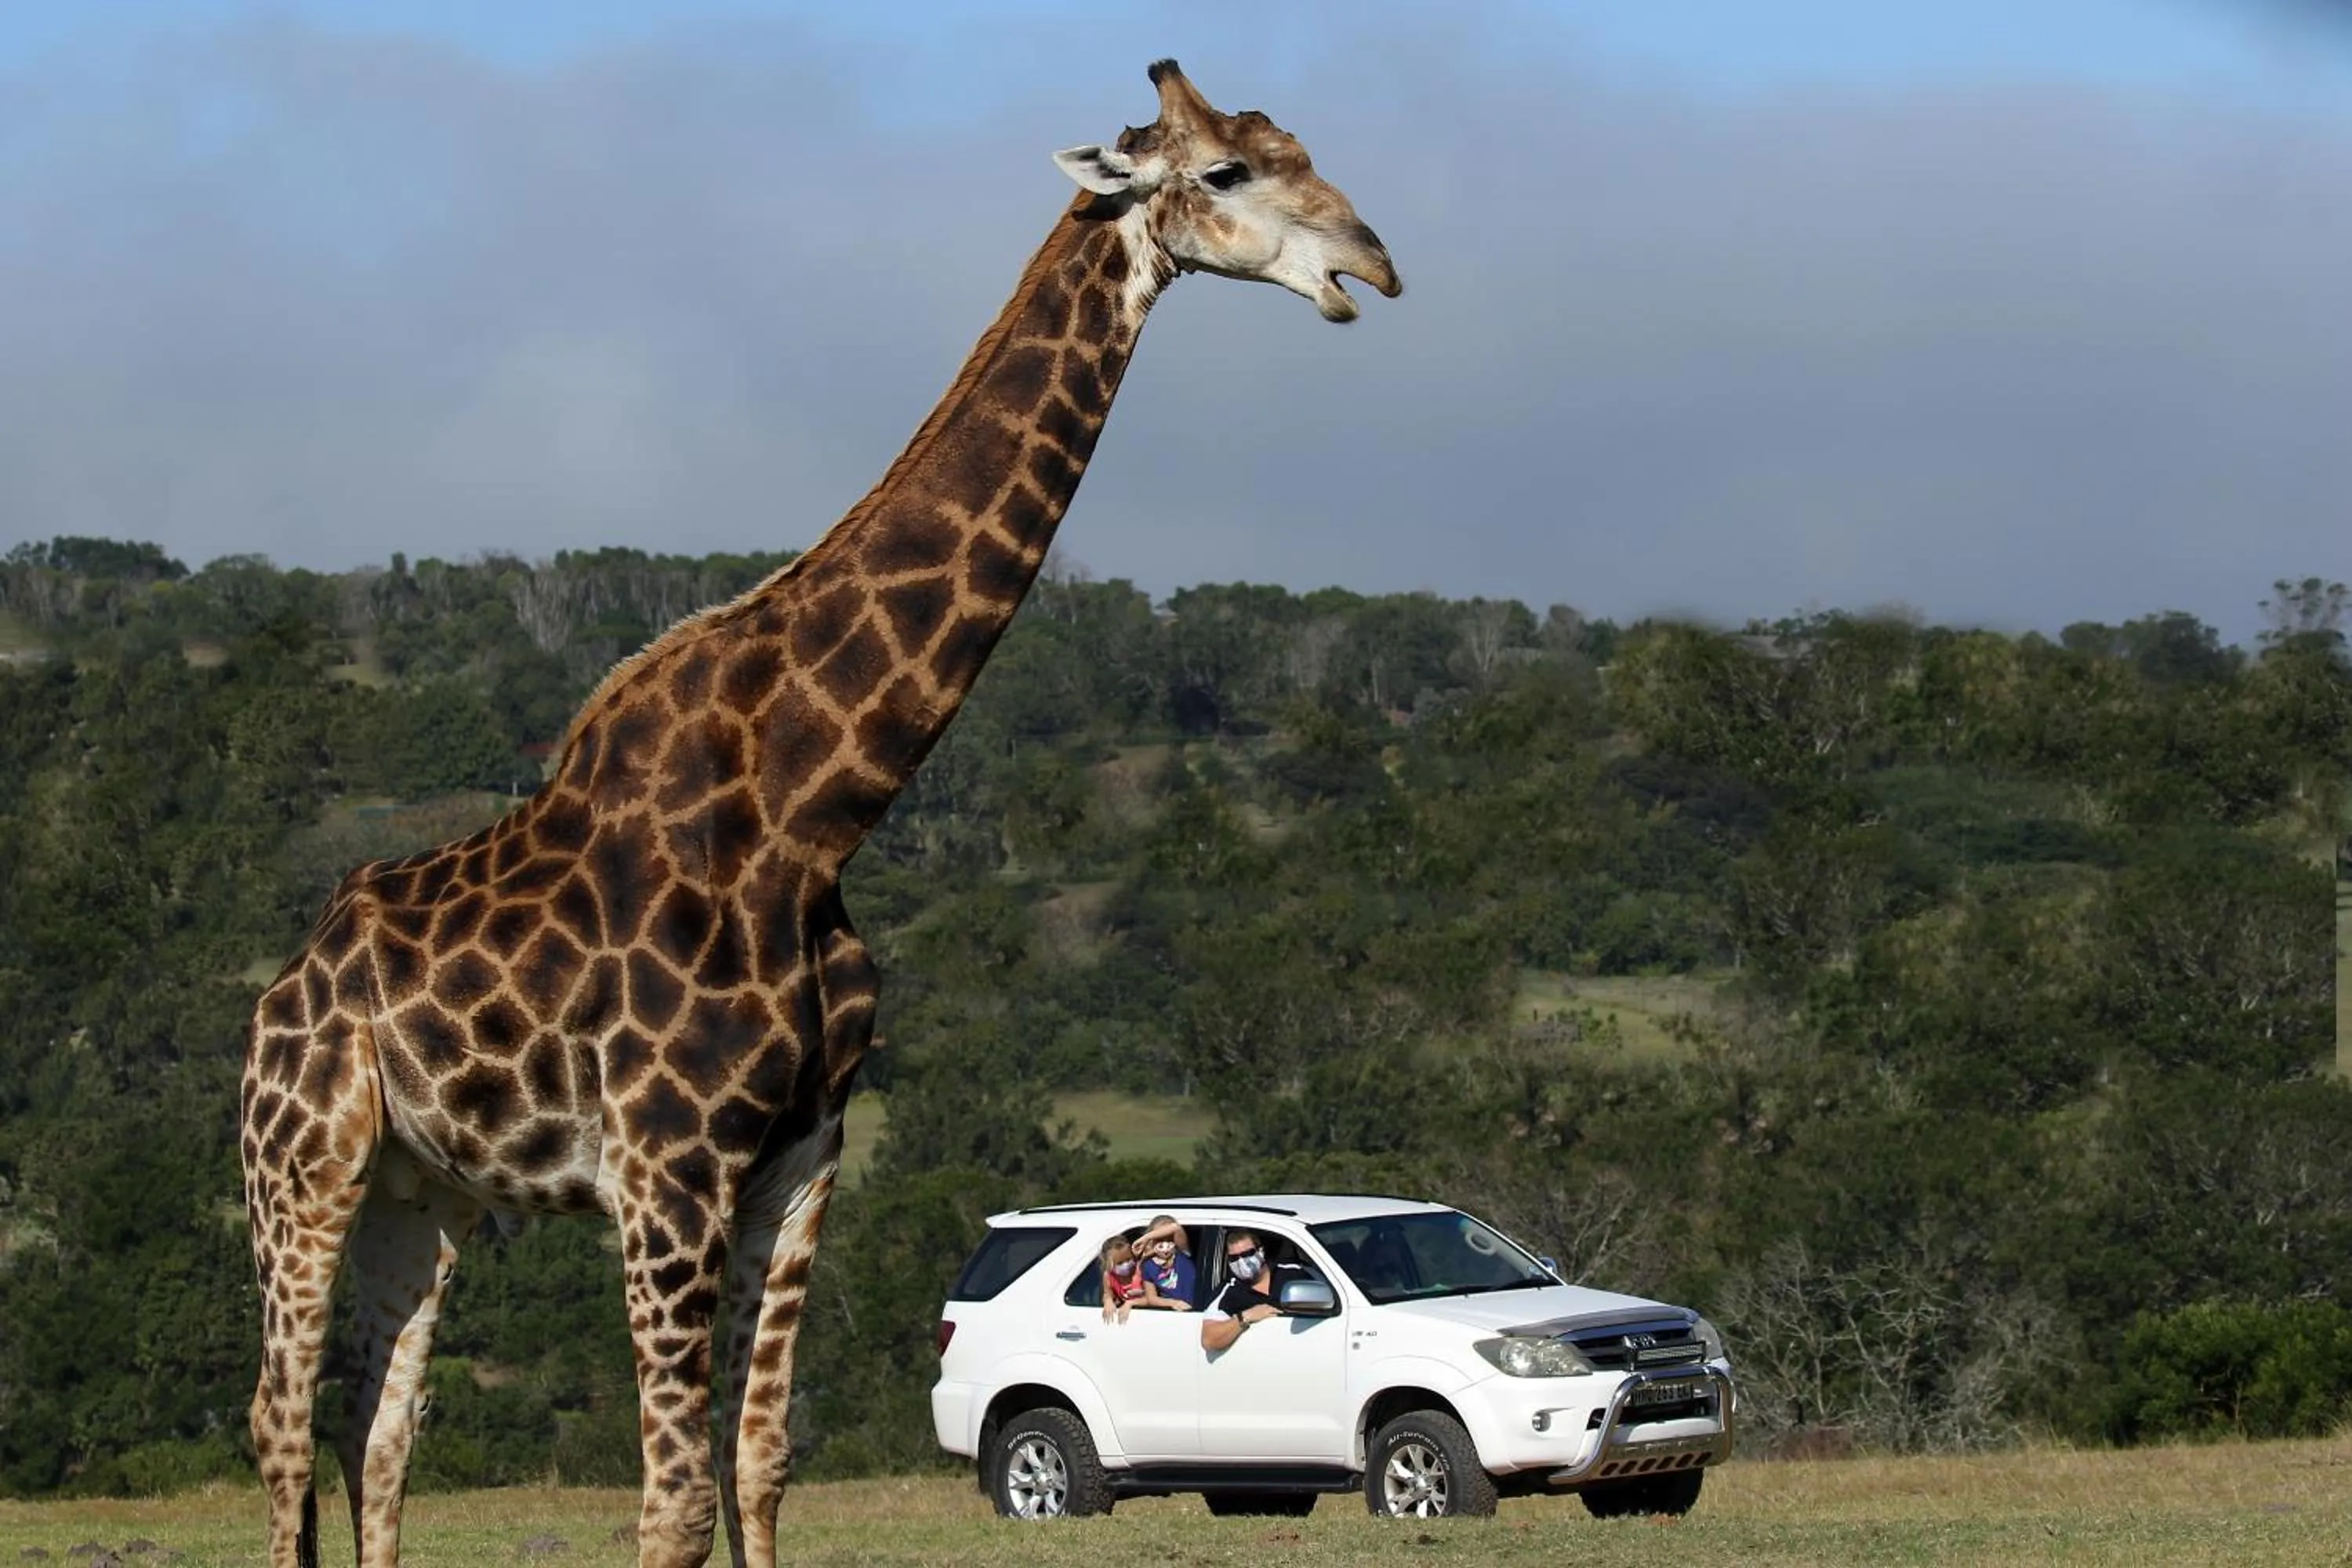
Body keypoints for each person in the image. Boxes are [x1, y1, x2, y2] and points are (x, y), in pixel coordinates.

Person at [1200, 1229, 1308, 1352]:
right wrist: (1244, 1317)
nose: (1241, 1261)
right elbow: (1209, 1341)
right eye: (1234, 1258)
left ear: (1260, 1251)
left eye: (1247, 1254)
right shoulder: (1229, 1292)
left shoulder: (1292, 1273)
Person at [1134, 1214, 1196, 1312]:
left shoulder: (1182, 1253)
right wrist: (1174, 1303)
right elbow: (1151, 1298)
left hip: (1196, 1310)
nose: (1165, 1245)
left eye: (1169, 1239)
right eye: (1160, 1239)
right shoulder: (1148, 1266)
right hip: (1174, 1313)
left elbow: (1175, 1227)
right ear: (1152, 1242)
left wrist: (1146, 1238)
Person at [1099, 1235, 1147, 1323]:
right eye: (1120, 1263)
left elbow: (1151, 1299)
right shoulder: (1109, 1276)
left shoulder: (1141, 1270)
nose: (1126, 1265)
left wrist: (1131, 1303)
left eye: (1129, 1259)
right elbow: (1107, 1293)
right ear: (1109, 1264)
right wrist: (1108, 1301)